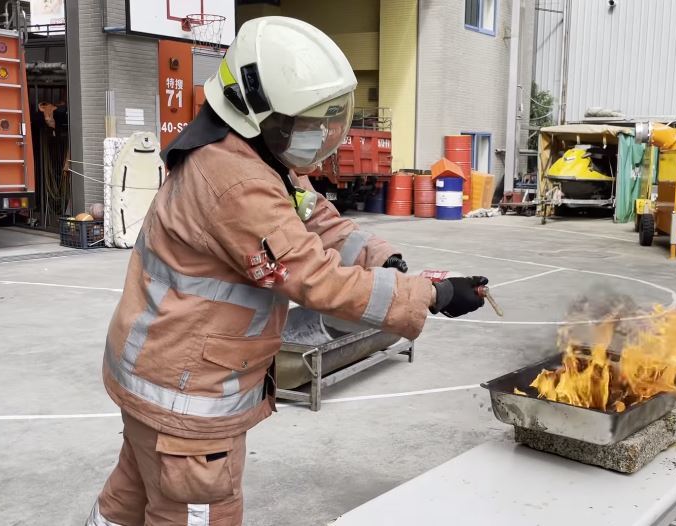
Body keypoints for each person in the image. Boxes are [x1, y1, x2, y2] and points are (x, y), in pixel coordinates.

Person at [86, 17, 488, 526]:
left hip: (154, 376)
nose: (317, 133)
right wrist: (429, 294)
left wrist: (381, 258)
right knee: (194, 512)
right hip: (188, 398)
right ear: (258, 110)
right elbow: (311, 276)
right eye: (304, 121)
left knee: (128, 498)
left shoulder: (245, 150)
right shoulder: (235, 182)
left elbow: (313, 216)